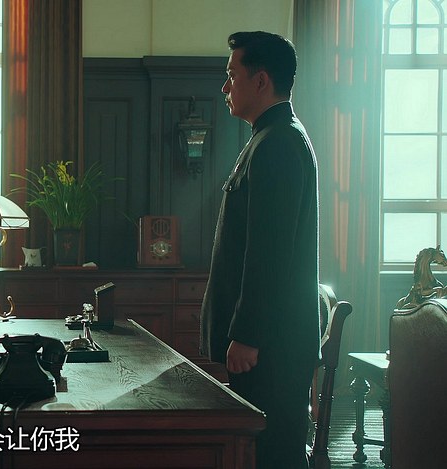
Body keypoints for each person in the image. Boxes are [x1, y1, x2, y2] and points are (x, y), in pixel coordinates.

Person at [200, 31, 320, 469]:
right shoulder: (269, 137)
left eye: (232, 75)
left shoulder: (278, 143)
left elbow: (269, 254)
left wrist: (248, 335)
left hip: (271, 348)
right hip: (271, 344)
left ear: (261, 81)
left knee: (274, 456)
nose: (225, 86)